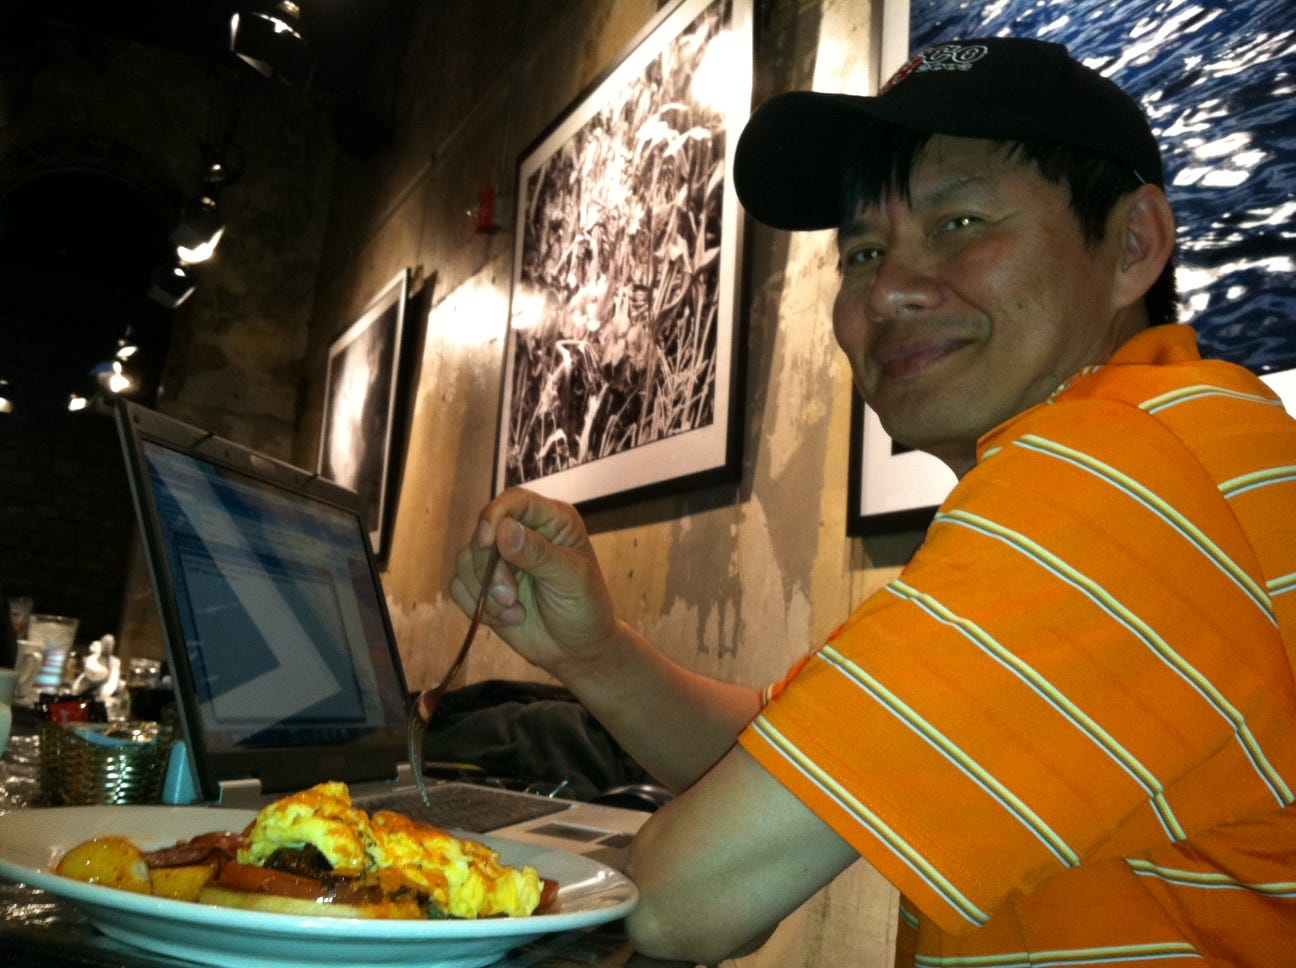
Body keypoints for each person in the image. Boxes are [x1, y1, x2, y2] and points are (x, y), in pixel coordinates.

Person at [451, 37, 1296, 965]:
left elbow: (687, 900)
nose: (889, 290)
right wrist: (593, 651)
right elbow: (771, 752)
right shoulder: (1170, 446)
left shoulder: (1122, 468)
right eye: (862, 251)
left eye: (961, 222)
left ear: (1132, 245)